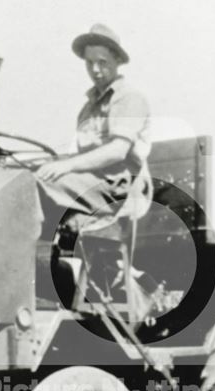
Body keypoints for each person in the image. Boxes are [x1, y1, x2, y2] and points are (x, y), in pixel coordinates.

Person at [35, 23, 151, 240]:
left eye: (102, 62)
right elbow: (82, 155)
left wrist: (66, 165)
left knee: (36, 184)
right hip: (91, 185)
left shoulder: (129, 98)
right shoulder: (88, 108)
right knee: (24, 181)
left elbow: (117, 151)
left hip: (118, 190)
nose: (95, 70)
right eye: (89, 63)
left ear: (118, 61)